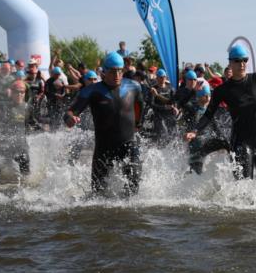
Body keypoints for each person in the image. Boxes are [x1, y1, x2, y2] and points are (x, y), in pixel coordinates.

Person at [187, 43, 256, 179]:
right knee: (243, 187)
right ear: (230, 63)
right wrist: (195, 131)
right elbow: (208, 114)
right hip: (241, 142)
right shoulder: (222, 90)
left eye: (244, 60)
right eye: (237, 60)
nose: (242, 64)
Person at [64, 52, 145, 196]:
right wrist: (71, 119)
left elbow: (139, 106)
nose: (117, 75)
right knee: (98, 195)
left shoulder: (134, 87)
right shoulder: (92, 91)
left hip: (128, 144)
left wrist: (138, 124)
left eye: (120, 71)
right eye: (113, 71)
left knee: (134, 184)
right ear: (103, 72)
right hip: (104, 148)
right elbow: (70, 112)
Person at [0, 74, 30, 181]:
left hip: (20, 144)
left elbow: (34, 123)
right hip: (4, 143)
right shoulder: (4, 105)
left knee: (27, 176)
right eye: (17, 91)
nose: (20, 94)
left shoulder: (27, 108)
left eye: (22, 92)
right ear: (11, 92)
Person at [148, 68, 178, 142]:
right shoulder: (154, 89)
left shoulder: (170, 88)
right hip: (158, 115)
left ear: (166, 77)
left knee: (174, 135)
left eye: (164, 77)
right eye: (160, 77)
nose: (162, 79)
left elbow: (173, 101)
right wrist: (164, 107)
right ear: (157, 78)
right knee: (163, 134)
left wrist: (175, 107)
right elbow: (151, 104)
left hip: (169, 115)